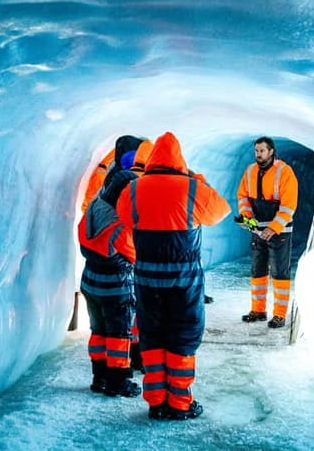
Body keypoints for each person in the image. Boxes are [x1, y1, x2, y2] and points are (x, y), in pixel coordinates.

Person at [116, 132, 230, 421]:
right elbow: (221, 210)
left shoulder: (132, 190)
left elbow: (124, 218)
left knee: (153, 338)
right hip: (184, 283)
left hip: (146, 281)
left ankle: (155, 403)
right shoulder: (192, 189)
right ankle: (179, 404)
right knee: (182, 337)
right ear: (179, 160)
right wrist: (198, 181)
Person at [79, 169, 141, 398]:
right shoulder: (122, 220)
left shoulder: (94, 207)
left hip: (90, 281)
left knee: (98, 331)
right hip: (115, 286)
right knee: (119, 334)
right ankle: (118, 381)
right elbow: (135, 255)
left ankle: (99, 377)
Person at [236, 136, 299, 329]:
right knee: (258, 271)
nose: (258, 154)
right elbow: (243, 197)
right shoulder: (249, 171)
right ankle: (258, 310)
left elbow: (289, 206)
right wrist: (246, 218)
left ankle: (279, 315)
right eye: (256, 151)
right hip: (257, 231)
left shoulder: (284, 172)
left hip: (279, 232)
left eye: (262, 151)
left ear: (271, 151)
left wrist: (274, 228)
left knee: (280, 272)